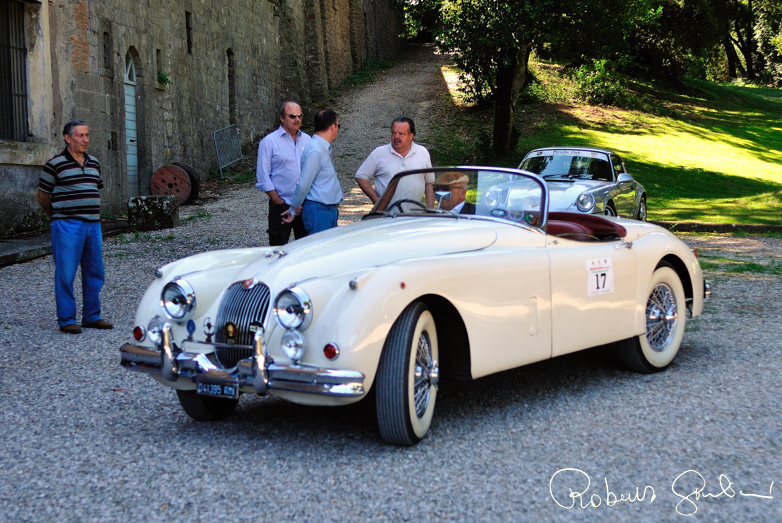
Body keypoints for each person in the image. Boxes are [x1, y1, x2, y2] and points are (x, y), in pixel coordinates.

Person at [36, 120, 113, 334]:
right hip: (67, 226)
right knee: (66, 274)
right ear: (67, 138)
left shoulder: (94, 163)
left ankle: (92, 316)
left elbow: (94, 190)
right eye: (79, 135)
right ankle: (67, 319)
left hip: (93, 226)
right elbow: (42, 196)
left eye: (87, 135)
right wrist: (58, 217)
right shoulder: (55, 164)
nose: (85, 139)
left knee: (95, 273)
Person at [255, 101, 311, 245]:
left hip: (305, 205)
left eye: (299, 116)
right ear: (282, 117)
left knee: (306, 249)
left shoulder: (308, 140)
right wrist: (278, 201)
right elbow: (263, 175)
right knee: (278, 249)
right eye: (292, 116)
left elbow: (314, 170)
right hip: (281, 205)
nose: (297, 119)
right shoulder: (269, 142)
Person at [282, 108, 343, 234]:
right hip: (319, 211)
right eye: (338, 126)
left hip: (325, 210)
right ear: (332, 127)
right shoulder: (315, 150)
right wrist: (293, 209)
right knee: (321, 251)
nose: (337, 129)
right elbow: (304, 183)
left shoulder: (320, 147)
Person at [354, 117, 434, 208]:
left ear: (411, 136)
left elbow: (430, 183)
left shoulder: (422, 152)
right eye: (393, 133)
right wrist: (376, 200)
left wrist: (430, 211)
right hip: (386, 216)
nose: (396, 137)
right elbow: (360, 176)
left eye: (401, 133)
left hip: (414, 216)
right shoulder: (380, 153)